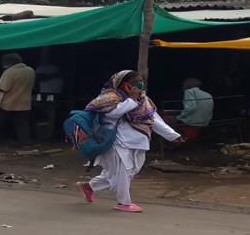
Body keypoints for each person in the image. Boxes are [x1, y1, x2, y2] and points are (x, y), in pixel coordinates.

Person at [76, 70, 182, 213]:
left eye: (140, 80)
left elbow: (154, 119)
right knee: (122, 171)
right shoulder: (109, 97)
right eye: (134, 82)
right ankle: (124, 203)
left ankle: (89, 186)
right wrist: (131, 100)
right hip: (117, 140)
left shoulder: (143, 99)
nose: (139, 84)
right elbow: (113, 114)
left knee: (131, 170)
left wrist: (172, 135)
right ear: (122, 84)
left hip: (140, 140)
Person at [0, 53, 36, 147]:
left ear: (10, 62)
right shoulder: (30, 70)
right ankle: (25, 142)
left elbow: (3, 87)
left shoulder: (10, 72)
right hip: (24, 102)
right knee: (23, 124)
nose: (2, 63)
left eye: (4, 61)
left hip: (8, 103)